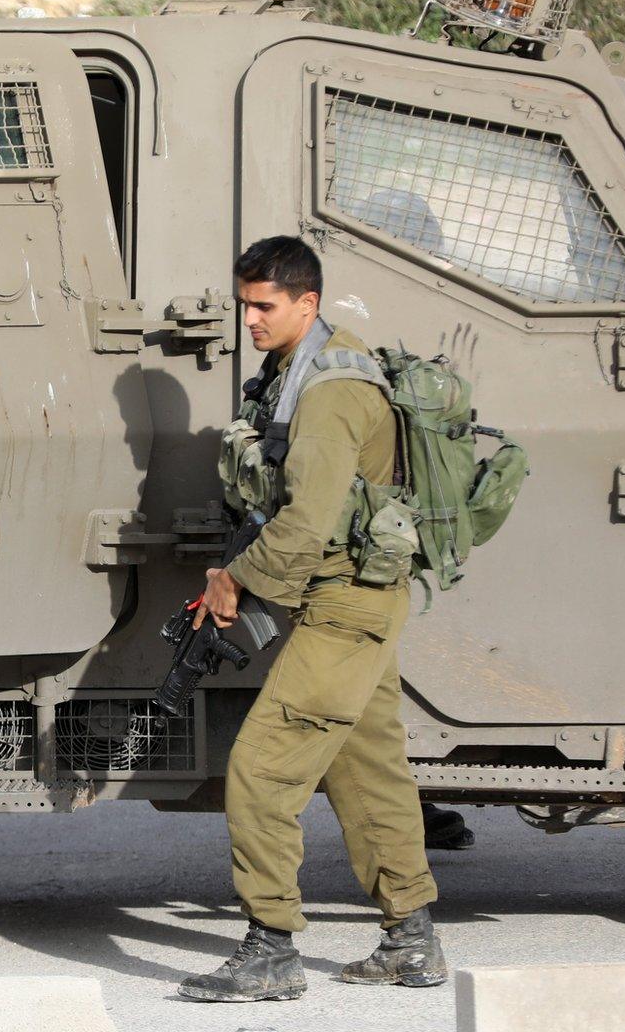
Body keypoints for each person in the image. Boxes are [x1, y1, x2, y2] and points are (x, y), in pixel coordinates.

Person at [178, 236, 447, 1002]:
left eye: (265, 307)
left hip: (345, 602)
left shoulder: (328, 392)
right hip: (354, 595)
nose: (251, 321)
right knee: (368, 769)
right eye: (245, 307)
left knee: (262, 769)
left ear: (308, 302)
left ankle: (271, 952)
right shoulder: (296, 372)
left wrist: (234, 582)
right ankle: (412, 941)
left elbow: (306, 520)